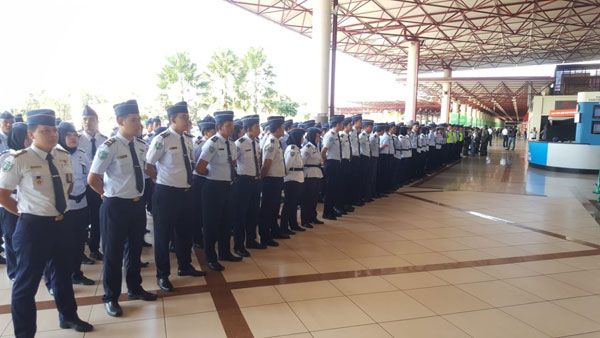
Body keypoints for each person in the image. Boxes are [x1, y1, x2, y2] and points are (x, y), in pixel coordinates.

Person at [0, 109, 94, 337]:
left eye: (54, 130)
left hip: (61, 224)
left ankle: (68, 316)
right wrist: (24, 212)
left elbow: (68, 186)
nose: (53, 135)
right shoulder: (19, 159)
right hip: (33, 228)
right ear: (32, 134)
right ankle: (24, 333)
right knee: (26, 284)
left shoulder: (62, 155)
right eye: (45, 131)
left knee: (63, 275)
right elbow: (2, 194)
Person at [88, 100, 157, 317]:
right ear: (120, 121)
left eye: (138, 119)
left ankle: (135, 288)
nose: (138, 124)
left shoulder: (140, 145)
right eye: (134, 120)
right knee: (113, 254)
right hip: (115, 205)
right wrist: (105, 194)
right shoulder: (109, 146)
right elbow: (93, 178)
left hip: (137, 205)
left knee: (135, 250)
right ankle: (111, 297)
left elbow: (147, 170)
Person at [146, 102, 205, 292]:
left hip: (186, 193)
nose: (188, 121)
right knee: (163, 237)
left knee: (185, 233)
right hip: (167, 194)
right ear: (172, 120)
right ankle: (162, 275)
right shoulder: (162, 139)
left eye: (188, 117)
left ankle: (185, 266)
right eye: (184, 117)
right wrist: (160, 180)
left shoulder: (187, 139)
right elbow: (148, 165)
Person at [196, 111, 242, 271]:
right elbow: (200, 167)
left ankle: (224, 252)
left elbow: (234, 163)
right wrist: (214, 175)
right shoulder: (212, 143)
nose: (232, 129)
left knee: (226, 222)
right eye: (229, 126)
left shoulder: (231, 143)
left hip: (229, 186)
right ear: (220, 127)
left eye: (232, 126)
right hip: (213, 188)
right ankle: (210, 257)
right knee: (211, 224)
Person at [55, 122, 95, 286]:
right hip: (64, 207)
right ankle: (61, 278)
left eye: (75, 135)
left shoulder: (82, 155)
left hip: (81, 204)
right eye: (68, 135)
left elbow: (87, 179)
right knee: (63, 245)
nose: (73, 138)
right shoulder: (54, 155)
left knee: (79, 242)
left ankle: (77, 274)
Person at [77, 105, 107, 262]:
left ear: (97, 121)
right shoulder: (76, 139)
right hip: (80, 187)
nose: (88, 122)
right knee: (81, 220)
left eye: (91, 119)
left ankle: (94, 249)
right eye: (85, 119)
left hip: (97, 185)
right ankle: (79, 252)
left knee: (96, 218)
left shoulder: (104, 140)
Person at [233, 115, 265, 255]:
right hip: (243, 181)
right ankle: (239, 245)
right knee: (241, 214)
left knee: (253, 212)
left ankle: (251, 240)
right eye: (257, 127)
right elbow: (233, 162)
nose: (259, 129)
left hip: (255, 181)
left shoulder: (256, 142)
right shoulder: (239, 143)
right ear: (249, 129)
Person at [258, 116, 287, 243]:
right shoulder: (271, 142)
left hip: (277, 179)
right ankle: (265, 235)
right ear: (277, 128)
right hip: (270, 180)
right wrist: (261, 179)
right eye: (282, 127)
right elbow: (266, 164)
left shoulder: (276, 141)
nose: (284, 129)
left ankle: (274, 230)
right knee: (267, 208)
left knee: (275, 207)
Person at [191, 115, 216, 249]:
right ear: (206, 132)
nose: (215, 133)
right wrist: (205, 172)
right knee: (198, 211)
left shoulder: (215, 143)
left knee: (207, 211)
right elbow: (195, 164)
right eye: (213, 130)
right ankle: (197, 238)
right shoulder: (199, 144)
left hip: (209, 180)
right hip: (199, 180)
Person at [280, 128, 307, 234]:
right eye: (301, 137)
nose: (303, 139)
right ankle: (284, 226)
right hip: (292, 179)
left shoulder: (296, 148)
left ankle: (293, 224)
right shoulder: (292, 148)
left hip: (297, 178)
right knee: (288, 205)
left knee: (294, 204)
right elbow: (287, 165)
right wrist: (285, 178)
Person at [321, 115, 344, 220]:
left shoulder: (336, 134)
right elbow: (324, 150)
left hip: (336, 163)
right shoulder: (330, 135)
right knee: (329, 189)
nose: (343, 125)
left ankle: (331, 210)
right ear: (338, 124)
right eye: (342, 123)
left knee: (334, 188)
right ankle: (326, 212)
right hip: (331, 163)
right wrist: (325, 161)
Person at [301, 127, 323, 228]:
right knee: (307, 198)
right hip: (309, 174)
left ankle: (312, 216)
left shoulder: (315, 147)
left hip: (317, 173)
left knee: (314, 198)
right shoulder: (307, 148)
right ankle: (305, 219)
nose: (318, 138)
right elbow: (302, 163)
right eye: (317, 136)